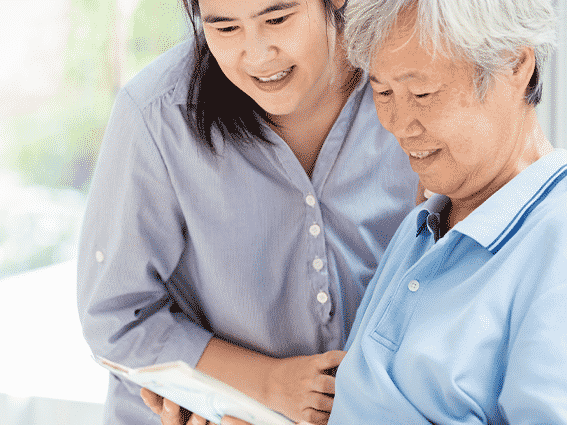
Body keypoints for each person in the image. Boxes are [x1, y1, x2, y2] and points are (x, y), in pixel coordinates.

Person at [164, 0, 566, 423]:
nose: (397, 123)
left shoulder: (553, 244)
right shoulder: (425, 224)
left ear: (513, 64)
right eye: (383, 92)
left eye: (422, 94)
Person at [76, 0, 418, 423]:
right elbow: (115, 320)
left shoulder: (410, 80)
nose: (256, 56)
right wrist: (267, 382)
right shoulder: (156, 114)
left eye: (277, 19)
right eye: (225, 29)